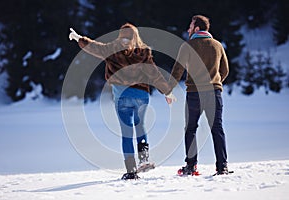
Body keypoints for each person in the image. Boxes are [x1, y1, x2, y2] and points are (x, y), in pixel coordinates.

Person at [69, 23, 175, 180]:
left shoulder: (112, 49)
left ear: (120, 34)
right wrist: (167, 91)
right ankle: (144, 159)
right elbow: (154, 73)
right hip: (141, 95)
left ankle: (131, 171)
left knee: (127, 132)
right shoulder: (144, 51)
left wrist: (79, 38)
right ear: (135, 35)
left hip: (122, 96)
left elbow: (94, 47)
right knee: (140, 125)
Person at [168, 15, 229, 175]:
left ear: (196, 28)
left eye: (190, 26)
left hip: (194, 94)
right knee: (217, 129)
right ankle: (222, 166)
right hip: (214, 93)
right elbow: (225, 70)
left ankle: (191, 166)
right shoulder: (218, 46)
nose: (188, 29)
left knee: (190, 129)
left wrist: (168, 89)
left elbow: (177, 70)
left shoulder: (188, 46)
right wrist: (215, 82)